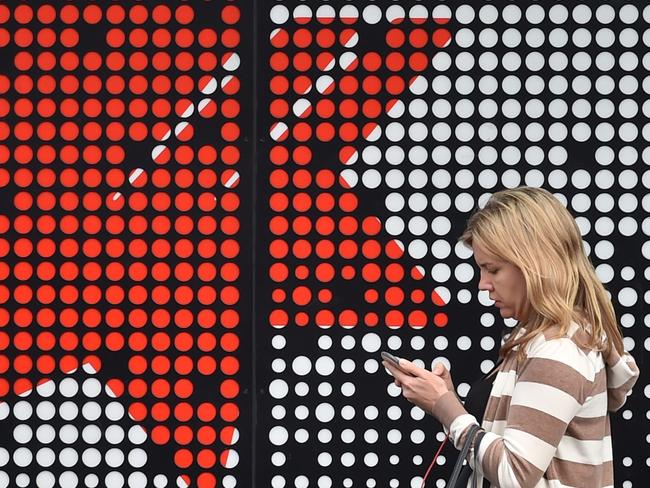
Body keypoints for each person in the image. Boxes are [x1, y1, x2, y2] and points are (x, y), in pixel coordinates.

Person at [383, 187, 639, 488]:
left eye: (492, 269)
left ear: (535, 264)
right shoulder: (545, 339)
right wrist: (446, 399)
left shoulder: (557, 351)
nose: (483, 284)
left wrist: (444, 406)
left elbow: (514, 475)